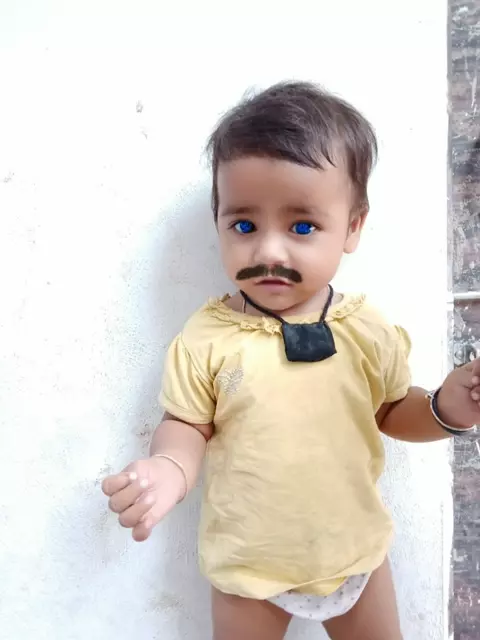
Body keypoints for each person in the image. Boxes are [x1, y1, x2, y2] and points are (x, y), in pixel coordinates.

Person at [102, 81, 480, 640]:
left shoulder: (365, 331)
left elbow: (392, 410)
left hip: (354, 556)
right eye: (244, 226)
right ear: (218, 220)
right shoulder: (209, 337)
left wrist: (448, 408)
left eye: (302, 227)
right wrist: (170, 468)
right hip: (249, 570)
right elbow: (188, 424)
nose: (269, 251)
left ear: (352, 226)